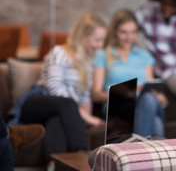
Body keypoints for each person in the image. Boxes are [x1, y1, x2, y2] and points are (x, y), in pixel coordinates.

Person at [12, 13, 107, 170]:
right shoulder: (59, 53)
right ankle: (82, 157)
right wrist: (87, 117)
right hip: (37, 103)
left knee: (56, 122)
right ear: (82, 36)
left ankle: (53, 164)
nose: (100, 45)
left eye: (102, 41)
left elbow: (84, 98)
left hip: (62, 112)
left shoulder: (88, 63)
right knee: (67, 103)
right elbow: (54, 89)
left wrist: (83, 120)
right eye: (97, 40)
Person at [92, 9, 167, 137]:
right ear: (115, 32)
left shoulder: (144, 56)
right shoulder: (103, 55)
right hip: (117, 105)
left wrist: (160, 98)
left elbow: (153, 90)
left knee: (149, 99)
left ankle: (138, 153)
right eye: (124, 32)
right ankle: (153, 153)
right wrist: (123, 93)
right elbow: (96, 94)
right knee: (156, 121)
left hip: (144, 103)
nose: (129, 37)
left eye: (133, 32)